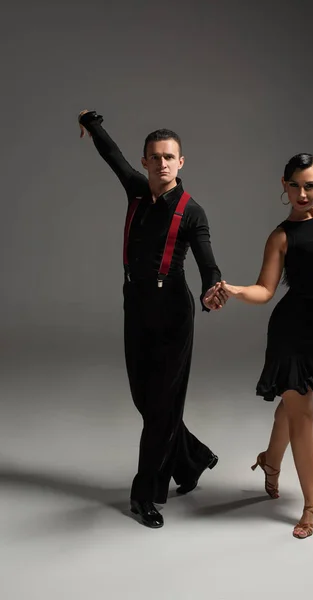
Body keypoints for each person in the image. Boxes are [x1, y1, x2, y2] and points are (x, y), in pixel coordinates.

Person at [216, 101, 313, 539]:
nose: (304, 195)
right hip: (292, 331)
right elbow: (266, 291)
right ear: (284, 188)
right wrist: (234, 289)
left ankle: (269, 460)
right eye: (295, 188)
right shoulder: (281, 236)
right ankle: (311, 503)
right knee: (303, 413)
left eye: (310, 186)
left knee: (291, 404)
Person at [78, 109, 225, 529]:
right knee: (146, 400)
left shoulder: (192, 211)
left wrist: (212, 289)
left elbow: (208, 263)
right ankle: (193, 457)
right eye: (154, 157)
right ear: (146, 162)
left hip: (173, 313)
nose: (162, 163)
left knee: (160, 407)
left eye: (169, 157)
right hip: (135, 305)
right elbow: (112, 155)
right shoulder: (137, 190)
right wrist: (90, 123)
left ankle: (144, 494)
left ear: (181, 162)